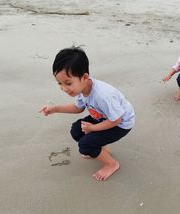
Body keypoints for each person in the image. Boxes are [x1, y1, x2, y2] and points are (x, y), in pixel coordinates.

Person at [39, 47, 135, 181]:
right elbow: (78, 108)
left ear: (84, 77)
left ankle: (111, 164)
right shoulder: (82, 89)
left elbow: (117, 120)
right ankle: (100, 149)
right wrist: (55, 109)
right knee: (76, 131)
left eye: (68, 83)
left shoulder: (102, 96)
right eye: (59, 83)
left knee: (85, 145)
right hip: (103, 117)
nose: (63, 88)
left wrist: (92, 128)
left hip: (121, 123)